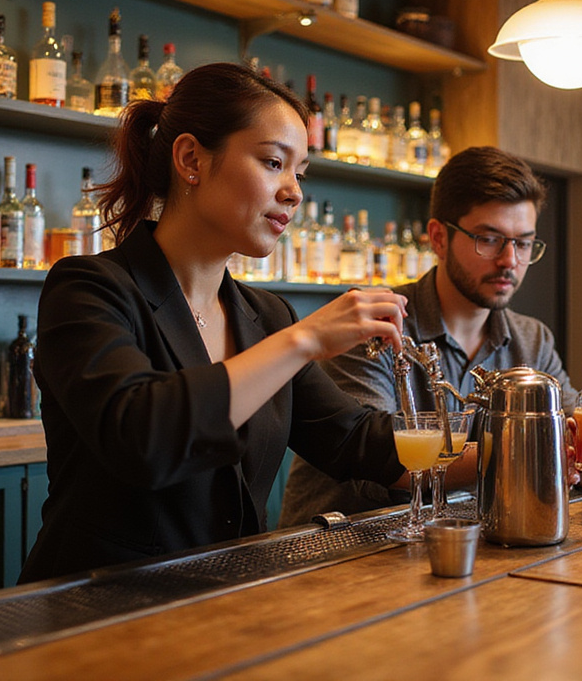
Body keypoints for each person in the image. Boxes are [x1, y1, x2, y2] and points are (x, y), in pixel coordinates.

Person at [20, 63, 415, 583]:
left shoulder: (265, 315)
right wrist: (304, 340)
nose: (295, 192)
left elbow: (356, 442)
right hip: (96, 612)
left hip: (223, 606)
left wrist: (516, 443)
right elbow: (142, 437)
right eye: (275, 162)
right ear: (191, 159)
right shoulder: (89, 288)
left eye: (300, 174)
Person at [280, 146, 582, 526]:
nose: (510, 260)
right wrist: (532, 448)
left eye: (523, 243)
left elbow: (570, 436)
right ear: (439, 238)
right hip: (341, 547)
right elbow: (373, 467)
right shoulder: (378, 325)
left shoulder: (532, 339)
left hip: (461, 540)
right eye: (489, 239)